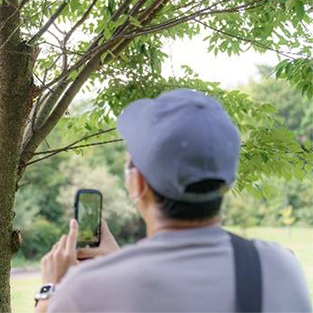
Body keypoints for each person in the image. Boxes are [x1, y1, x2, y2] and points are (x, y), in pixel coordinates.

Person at [35, 89, 312, 312]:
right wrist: (121, 263)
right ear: (226, 180)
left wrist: (50, 289)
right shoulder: (279, 269)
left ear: (138, 183)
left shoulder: (85, 292)